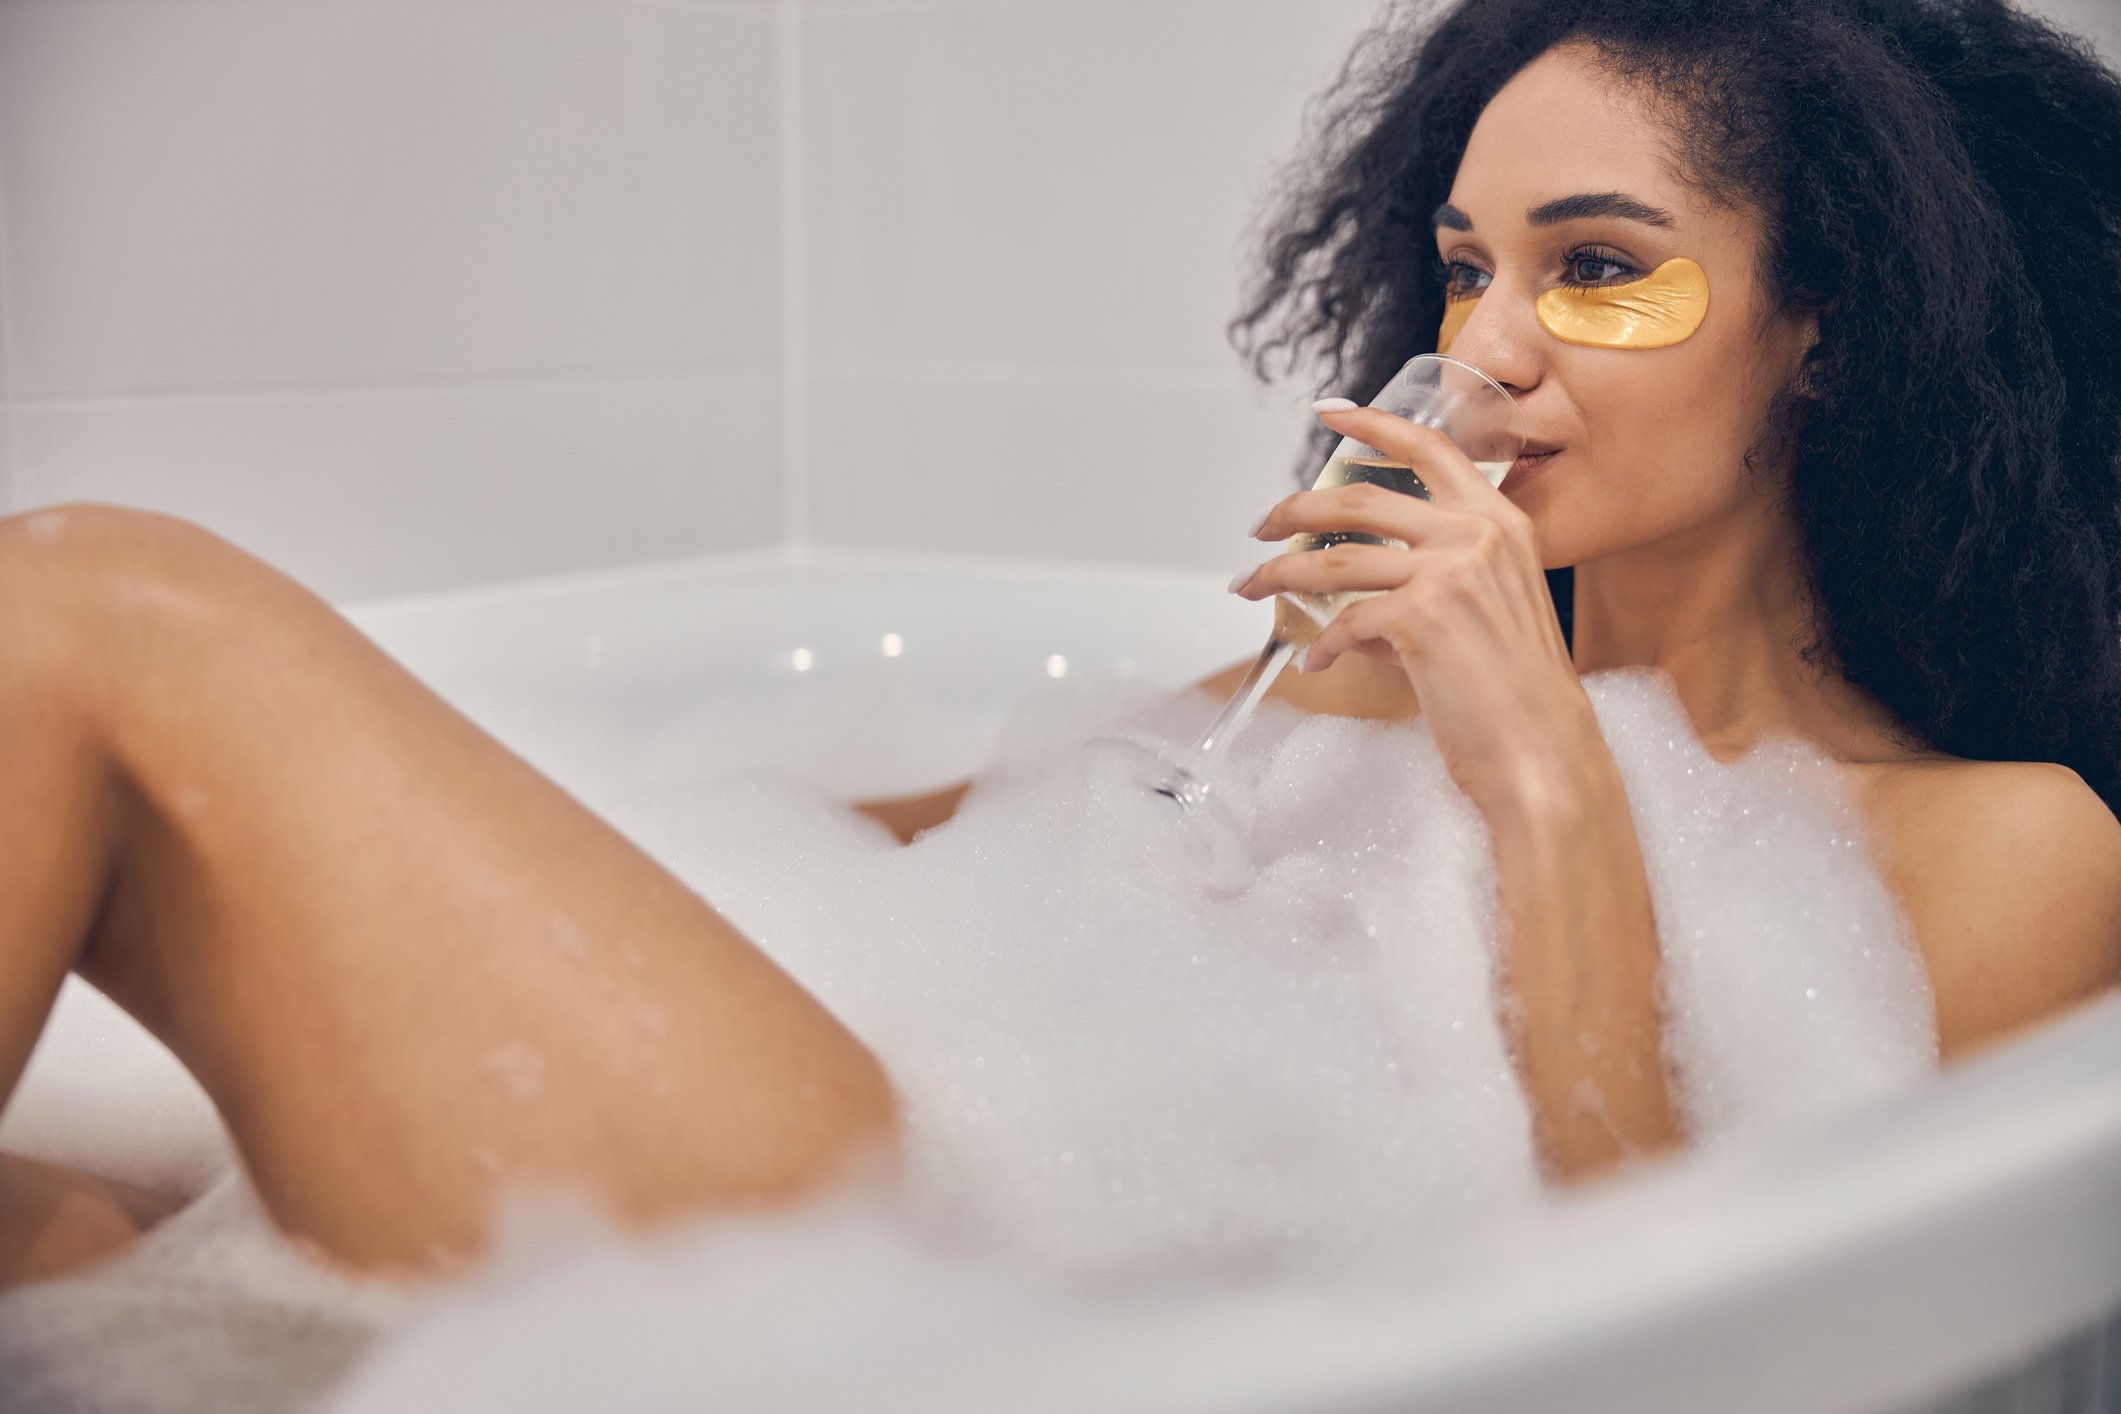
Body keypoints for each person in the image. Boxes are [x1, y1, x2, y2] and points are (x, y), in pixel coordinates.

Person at [3, 0, 2118, 1288]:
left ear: (1828, 330)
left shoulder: (1999, 849)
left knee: (94, 601)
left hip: (941, 1285)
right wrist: (433, 821)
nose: (1477, 346)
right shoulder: (1341, 695)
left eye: (1596, 270)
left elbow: (1686, 1334)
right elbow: (893, 872)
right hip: (908, 1240)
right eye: (1464, 260)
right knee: (75, 1230)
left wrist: (1541, 767)